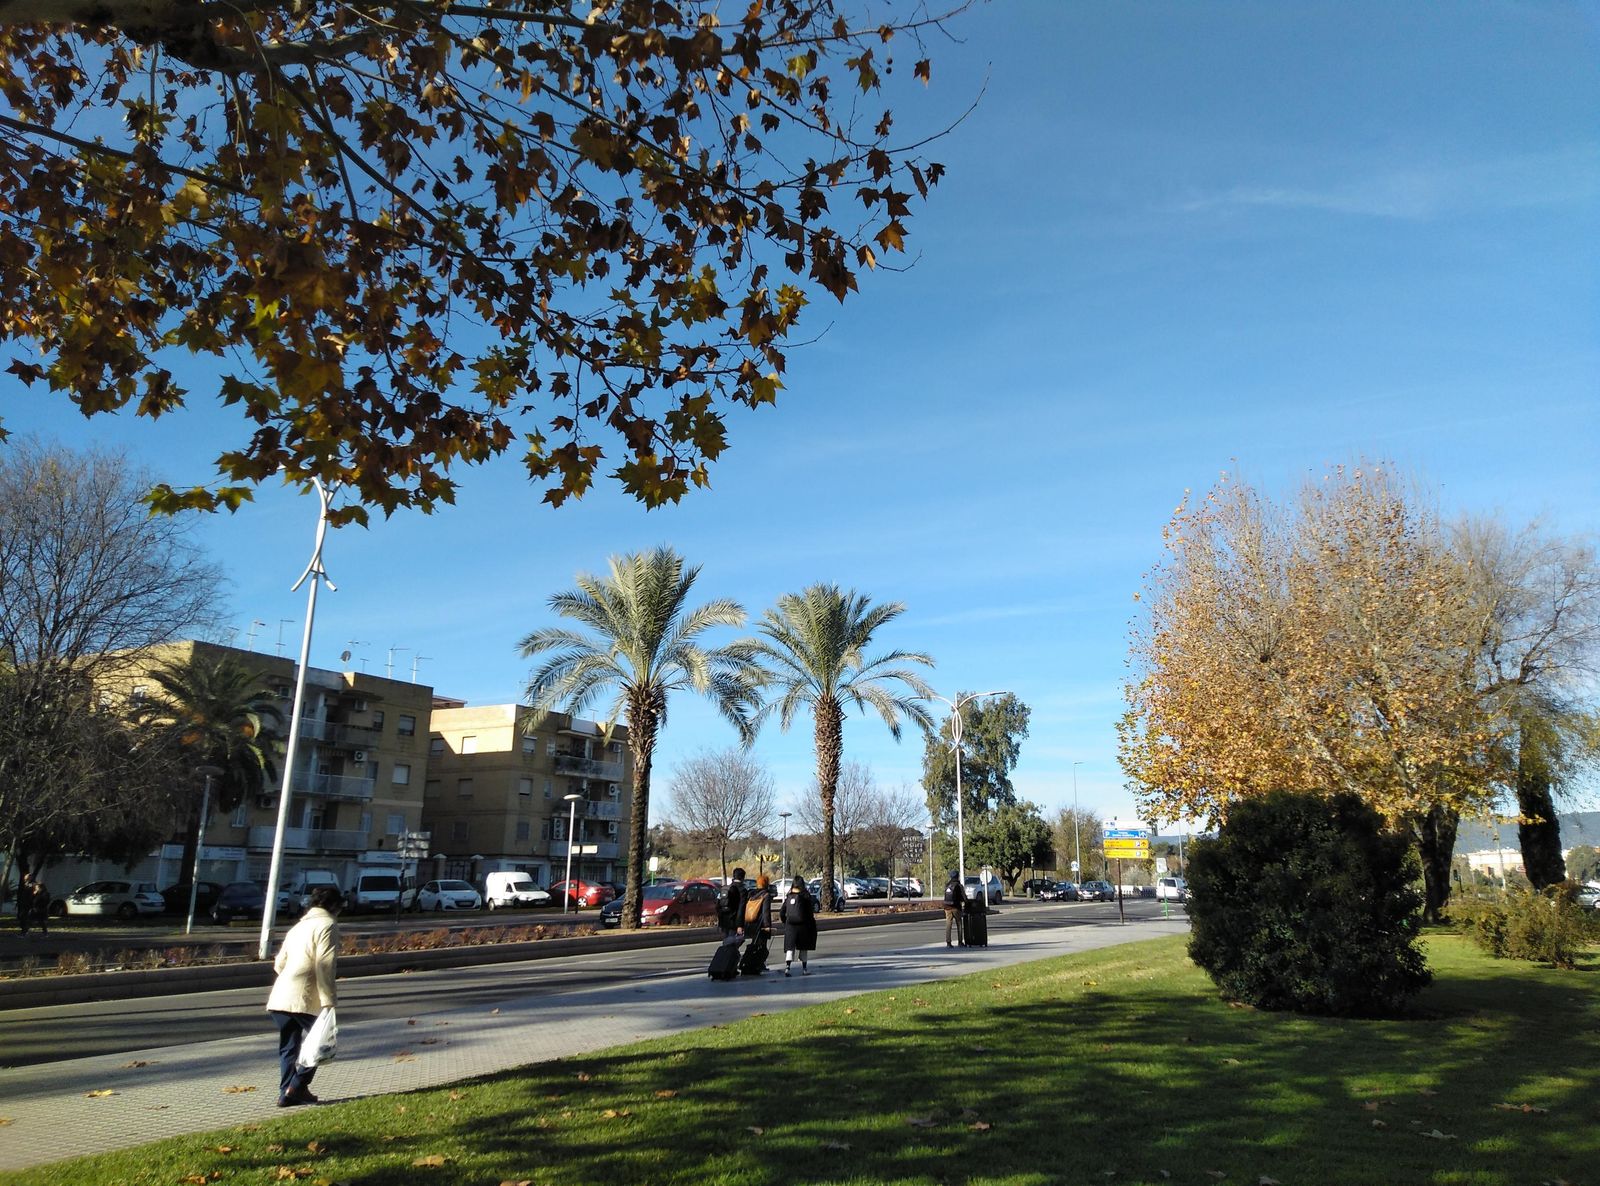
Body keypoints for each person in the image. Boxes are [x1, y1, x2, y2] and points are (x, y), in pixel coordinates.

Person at [266, 884, 342, 1107]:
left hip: (281, 996)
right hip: (306, 997)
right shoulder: (327, 924)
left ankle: (286, 1092)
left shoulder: (298, 927)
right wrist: (328, 999)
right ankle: (297, 1086)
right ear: (335, 906)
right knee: (321, 1042)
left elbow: (279, 963)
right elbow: (325, 964)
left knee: (289, 1047)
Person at [780, 875, 817, 976]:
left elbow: (782, 911)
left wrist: (785, 922)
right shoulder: (806, 895)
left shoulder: (789, 895)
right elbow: (810, 912)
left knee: (789, 947)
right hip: (803, 926)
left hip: (790, 925)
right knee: (803, 947)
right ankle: (804, 969)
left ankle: (787, 968)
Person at [721, 867, 749, 941]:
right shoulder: (742, 890)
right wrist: (740, 925)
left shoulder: (726, 888)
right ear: (743, 877)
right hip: (733, 922)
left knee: (726, 943)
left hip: (724, 921)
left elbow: (718, 905)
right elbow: (741, 908)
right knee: (733, 944)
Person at [943, 869, 967, 947]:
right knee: (959, 923)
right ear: (958, 876)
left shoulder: (947, 885)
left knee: (948, 924)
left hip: (947, 907)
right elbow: (963, 897)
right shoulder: (959, 885)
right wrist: (966, 902)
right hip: (956, 907)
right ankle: (960, 942)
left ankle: (948, 942)